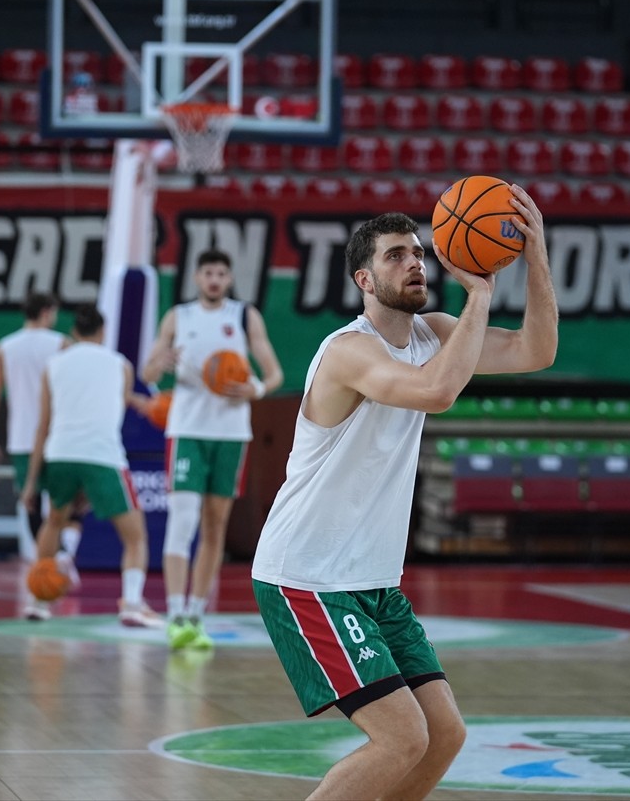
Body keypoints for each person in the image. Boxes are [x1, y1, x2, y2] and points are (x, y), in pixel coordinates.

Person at [252, 196, 558, 800]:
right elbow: (436, 391)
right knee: (399, 739)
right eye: (396, 257)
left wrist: (536, 255)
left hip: (372, 581)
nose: (415, 263)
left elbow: (536, 351)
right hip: (307, 575)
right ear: (364, 280)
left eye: (419, 252)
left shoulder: (435, 332)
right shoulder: (349, 350)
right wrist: (479, 296)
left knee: (443, 735)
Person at [142, 250, 283, 650]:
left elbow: (274, 373)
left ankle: (196, 614)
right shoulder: (178, 317)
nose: (215, 279)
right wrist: (161, 362)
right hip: (187, 430)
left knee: (215, 525)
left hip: (231, 432)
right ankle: (174, 614)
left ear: (229, 278)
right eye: (209, 273)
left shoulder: (243, 316)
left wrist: (255, 387)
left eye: (222, 272)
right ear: (197, 277)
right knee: (182, 521)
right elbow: (148, 373)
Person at [21, 303, 160, 627]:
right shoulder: (120, 364)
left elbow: (43, 424)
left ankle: (38, 601)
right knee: (135, 537)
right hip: (102, 455)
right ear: (102, 331)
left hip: (60, 453)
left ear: (74, 331)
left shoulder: (53, 365)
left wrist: (30, 481)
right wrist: (148, 405)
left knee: (54, 522)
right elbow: (121, 399)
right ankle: (132, 604)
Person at [0, 292, 73, 573]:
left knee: (30, 501)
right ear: (47, 311)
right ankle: (62, 555)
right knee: (64, 499)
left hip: (22, 436)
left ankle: (51, 562)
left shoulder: (6, 347)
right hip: (58, 434)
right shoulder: (61, 344)